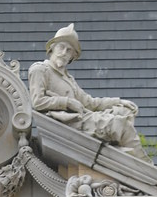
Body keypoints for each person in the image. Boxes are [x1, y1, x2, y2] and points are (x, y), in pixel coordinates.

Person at [28, 22, 150, 161]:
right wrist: (67, 102)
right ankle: (146, 166)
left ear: (72, 57)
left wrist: (118, 101)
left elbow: (90, 103)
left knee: (124, 111)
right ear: (52, 48)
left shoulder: (69, 79)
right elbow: (37, 102)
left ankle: (127, 158)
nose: (64, 53)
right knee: (119, 123)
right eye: (61, 47)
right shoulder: (40, 70)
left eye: (69, 50)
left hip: (82, 118)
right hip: (69, 125)